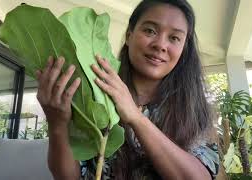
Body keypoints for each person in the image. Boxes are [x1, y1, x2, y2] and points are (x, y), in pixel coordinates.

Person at [36, 0, 220, 179]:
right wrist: (57, 124)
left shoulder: (193, 110)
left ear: (183, 49)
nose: (160, 45)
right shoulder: (93, 93)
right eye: (150, 30)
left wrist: (135, 117)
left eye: (174, 38)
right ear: (129, 35)